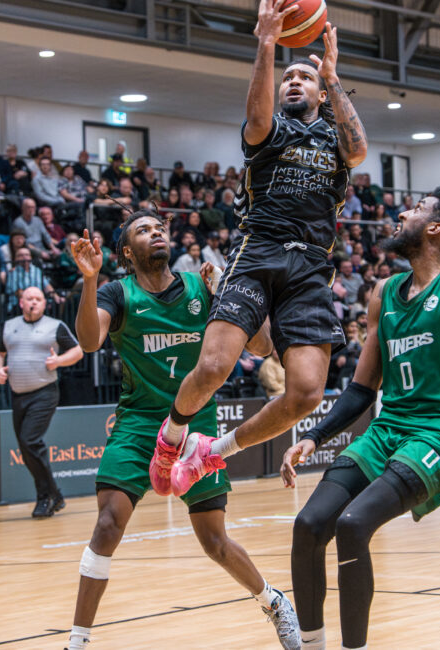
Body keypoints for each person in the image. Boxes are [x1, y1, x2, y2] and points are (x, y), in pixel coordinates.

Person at [277, 186, 440, 650]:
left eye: (416, 208)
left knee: (353, 524)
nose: (402, 212)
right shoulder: (384, 292)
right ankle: (310, 645)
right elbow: (362, 389)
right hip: (389, 429)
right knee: (309, 525)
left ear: (435, 228)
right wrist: (314, 436)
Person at [155, 7, 368, 497]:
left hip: (311, 265)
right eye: (288, 77)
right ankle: (172, 437)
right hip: (258, 251)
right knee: (214, 367)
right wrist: (267, 43)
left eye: (304, 77)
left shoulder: (336, 140)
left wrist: (333, 76)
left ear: (321, 93)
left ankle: (212, 451)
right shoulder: (269, 132)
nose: (294, 82)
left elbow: (358, 150)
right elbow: (256, 116)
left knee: (306, 393)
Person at [65, 210, 295, 649]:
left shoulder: (200, 286)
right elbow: (90, 342)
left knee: (214, 541)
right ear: (127, 252)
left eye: (160, 228)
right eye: (143, 230)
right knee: (108, 524)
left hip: (195, 427)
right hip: (138, 424)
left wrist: (227, 293)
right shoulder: (118, 292)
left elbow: (263, 346)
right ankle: (77, 641)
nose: (156, 233)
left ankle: (273, 601)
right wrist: (90, 280)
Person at [0, 287, 83, 517]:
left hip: (44, 392)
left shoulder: (55, 326)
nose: (33, 302)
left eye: (38, 299)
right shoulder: (9, 326)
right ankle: (54, 494)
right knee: (26, 447)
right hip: (18, 395)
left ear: (44, 304)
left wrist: (58, 361)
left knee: (29, 440)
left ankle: (45, 497)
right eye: (29, 298)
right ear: (21, 303)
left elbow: (77, 351)